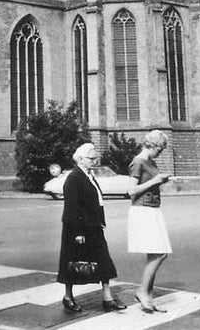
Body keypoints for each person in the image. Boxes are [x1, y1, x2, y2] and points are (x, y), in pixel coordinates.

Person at [56, 142, 126, 313]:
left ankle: (108, 299)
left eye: (95, 158)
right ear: (80, 159)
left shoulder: (88, 175)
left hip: (93, 227)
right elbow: (72, 208)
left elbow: (97, 201)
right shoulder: (74, 178)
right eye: (91, 158)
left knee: (103, 260)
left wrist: (100, 221)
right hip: (77, 229)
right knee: (72, 263)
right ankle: (67, 297)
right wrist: (78, 232)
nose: (94, 161)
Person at [128, 129, 172, 313]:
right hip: (143, 210)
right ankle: (142, 291)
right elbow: (131, 191)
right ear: (151, 145)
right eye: (160, 149)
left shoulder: (150, 162)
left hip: (153, 209)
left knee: (155, 253)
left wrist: (158, 181)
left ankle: (149, 296)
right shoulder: (137, 162)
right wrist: (155, 181)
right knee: (160, 253)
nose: (160, 153)